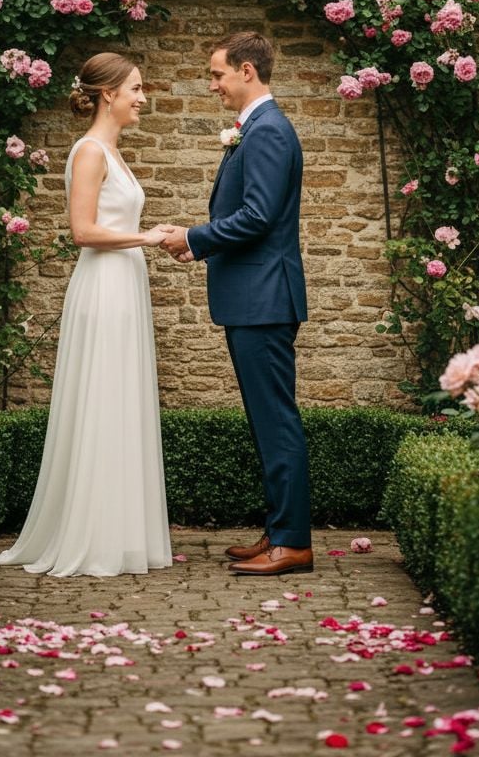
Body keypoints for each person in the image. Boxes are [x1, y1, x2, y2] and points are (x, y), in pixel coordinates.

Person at [0, 53, 172, 577]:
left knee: (122, 400)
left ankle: (120, 534)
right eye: (135, 88)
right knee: (103, 398)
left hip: (125, 283)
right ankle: (92, 537)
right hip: (104, 286)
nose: (142, 98)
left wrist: (148, 238)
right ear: (108, 94)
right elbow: (83, 232)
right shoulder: (89, 151)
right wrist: (147, 237)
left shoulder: (113, 152)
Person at [160, 31, 312, 576]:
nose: (213, 85)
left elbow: (258, 217)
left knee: (276, 421)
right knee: (265, 420)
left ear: (247, 70)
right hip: (255, 299)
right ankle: (278, 530)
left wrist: (193, 237)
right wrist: (199, 243)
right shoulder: (257, 129)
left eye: (218, 74)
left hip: (263, 299)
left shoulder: (267, 130)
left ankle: (292, 542)